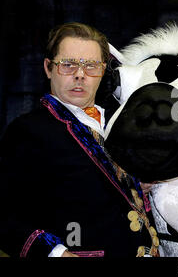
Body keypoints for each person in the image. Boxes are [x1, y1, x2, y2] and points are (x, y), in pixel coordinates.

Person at [0, 22, 159, 257]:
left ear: (103, 70)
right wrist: (56, 254)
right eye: (68, 65)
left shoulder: (123, 124)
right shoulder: (27, 131)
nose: (80, 74)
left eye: (91, 66)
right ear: (48, 68)